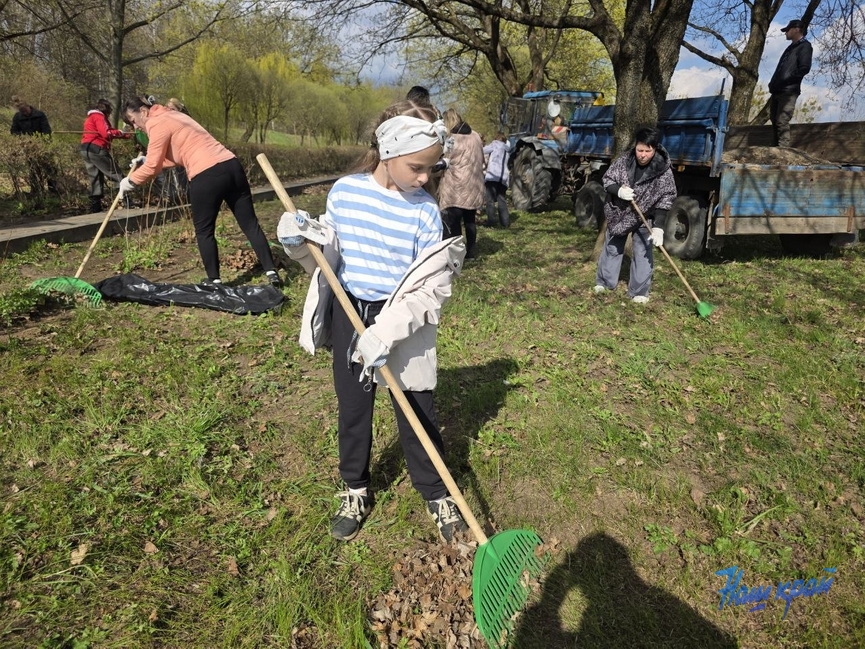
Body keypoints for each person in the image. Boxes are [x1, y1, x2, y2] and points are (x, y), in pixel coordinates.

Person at [277, 99, 468, 543]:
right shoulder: (345, 193)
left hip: (402, 319)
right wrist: (298, 244)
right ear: (387, 151)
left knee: (417, 407)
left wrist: (387, 331)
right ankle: (355, 488)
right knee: (353, 408)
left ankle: (436, 492)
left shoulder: (424, 210)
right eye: (417, 168)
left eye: (431, 169)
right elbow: (326, 258)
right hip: (350, 312)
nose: (425, 178)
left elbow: (430, 287)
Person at [121, 96, 282, 287]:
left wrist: (130, 181)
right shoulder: (174, 115)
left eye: (133, 121)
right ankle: (271, 271)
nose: (135, 127)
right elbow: (180, 153)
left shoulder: (155, 123)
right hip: (231, 166)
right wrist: (145, 161)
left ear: (143, 111)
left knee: (204, 230)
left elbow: (154, 167)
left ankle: (214, 279)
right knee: (249, 223)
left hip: (206, 174)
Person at [594, 126, 676, 303]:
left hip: (644, 216)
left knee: (642, 252)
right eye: (640, 150)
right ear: (635, 147)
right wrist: (618, 191)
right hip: (619, 214)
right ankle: (605, 282)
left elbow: (666, 198)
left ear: (655, 149)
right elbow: (607, 180)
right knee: (612, 248)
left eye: (648, 151)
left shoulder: (663, 170)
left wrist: (659, 228)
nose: (643, 155)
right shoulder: (624, 161)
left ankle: (639, 291)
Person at [437, 108, 485, 258]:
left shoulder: (451, 139)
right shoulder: (475, 135)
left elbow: (445, 158)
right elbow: (482, 157)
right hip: (474, 183)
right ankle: (471, 251)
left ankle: (458, 253)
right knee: (470, 220)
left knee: (454, 221)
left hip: (455, 185)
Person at [80, 98, 132, 212]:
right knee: (115, 173)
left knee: (95, 177)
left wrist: (125, 135)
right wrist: (121, 132)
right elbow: (106, 133)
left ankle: (95, 207)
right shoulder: (99, 116)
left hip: (86, 148)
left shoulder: (90, 118)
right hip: (96, 148)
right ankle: (126, 200)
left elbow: (108, 131)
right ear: (106, 110)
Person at [768, 19, 812, 147]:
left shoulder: (805, 46)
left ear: (796, 29)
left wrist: (786, 80)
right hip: (777, 90)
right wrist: (773, 83)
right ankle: (775, 149)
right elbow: (781, 68)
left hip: (789, 91)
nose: (785, 32)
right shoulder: (790, 48)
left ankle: (783, 149)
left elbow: (804, 68)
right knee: (774, 119)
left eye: (787, 30)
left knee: (782, 120)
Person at [10, 97, 58, 196]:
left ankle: (53, 190)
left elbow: (46, 130)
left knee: (49, 168)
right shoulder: (17, 117)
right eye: (22, 111)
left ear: (28, 106)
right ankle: (37, 191)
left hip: (43, 145)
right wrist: (24, 138)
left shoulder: (40, 115)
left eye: (25, 110)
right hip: (29, 147)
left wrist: (42, 142)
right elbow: (14, 131)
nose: (24, 113)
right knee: (34, 169)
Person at [482, 132, 511, 228]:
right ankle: (505, 222)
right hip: (503, 178)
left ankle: (491, 221)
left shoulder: (495, 145)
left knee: (490, 200)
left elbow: (483, 150)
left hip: (493, 175)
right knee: (501, 199)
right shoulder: (507, 150)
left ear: (496, 138)